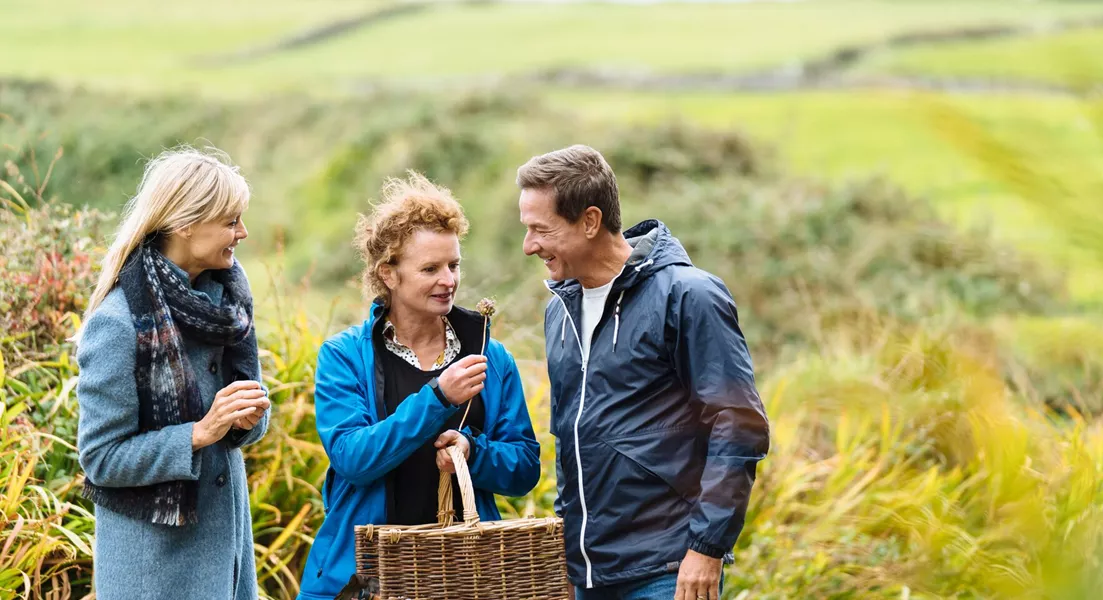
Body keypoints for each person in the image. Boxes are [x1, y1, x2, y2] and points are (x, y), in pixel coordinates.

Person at [516, 145, 771, 600]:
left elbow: (739, 425)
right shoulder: (559, 310)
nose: (529, 245)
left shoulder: (688, 296)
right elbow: (573, 438)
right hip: (589, 574)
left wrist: (706, 549)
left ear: (590, 221)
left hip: (668, 570)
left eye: (541, 229)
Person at [298, 172, 541, 600]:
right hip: (363, 580)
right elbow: (353, 458)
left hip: (464, 578)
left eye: (454, 265)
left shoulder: (489, 354)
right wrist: (438, 398)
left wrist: (474, 452)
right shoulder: (343, 357)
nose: (448, 280)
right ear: (388, 274)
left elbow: (524, 468)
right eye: (430, 268)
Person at [76, 147, 271, 599]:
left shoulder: (228, 303)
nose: (242, 232)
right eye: (230, 221)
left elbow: (248, 426)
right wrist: (198, 433)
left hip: (227, 559)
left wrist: (245, 418)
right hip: (156, 575)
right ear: (184, 224)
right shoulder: (118, 323)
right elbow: (101, 459)